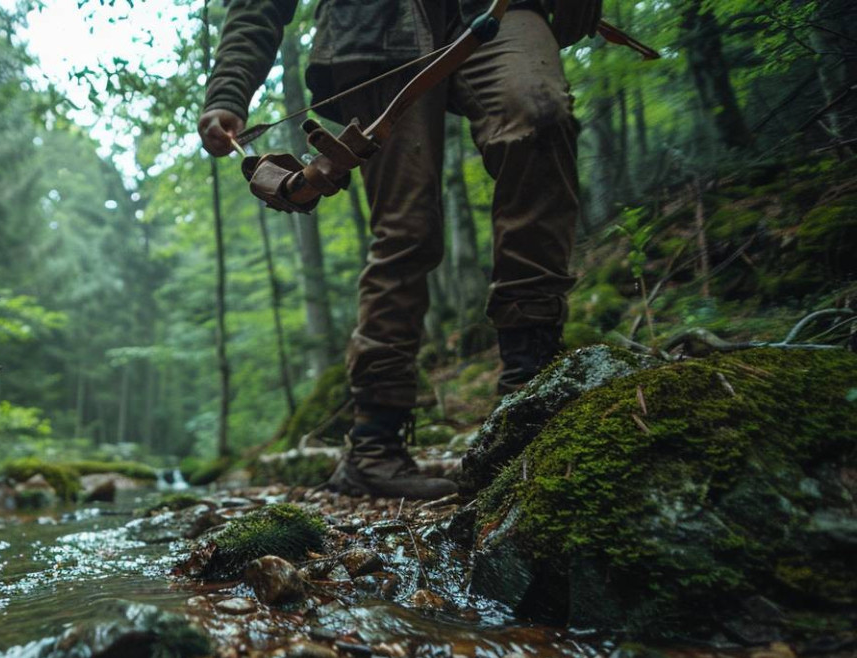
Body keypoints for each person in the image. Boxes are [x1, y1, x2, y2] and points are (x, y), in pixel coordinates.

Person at [198, 0, 599, 499]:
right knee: (406, 228)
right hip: (372, 27)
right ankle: (375, 445)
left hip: (497, 7)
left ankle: (531, 390)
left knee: (539, 114)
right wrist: (228, 90)